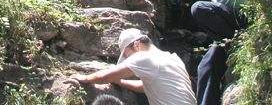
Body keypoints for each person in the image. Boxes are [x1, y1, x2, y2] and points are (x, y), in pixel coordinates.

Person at [68, 28, 196, 105]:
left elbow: (103, 77)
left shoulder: (145, 57)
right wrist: (122, 83)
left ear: (136, 45)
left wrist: (85, 78)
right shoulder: (173, 58)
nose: (130, 59)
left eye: (128, 55)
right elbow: (147, 87)